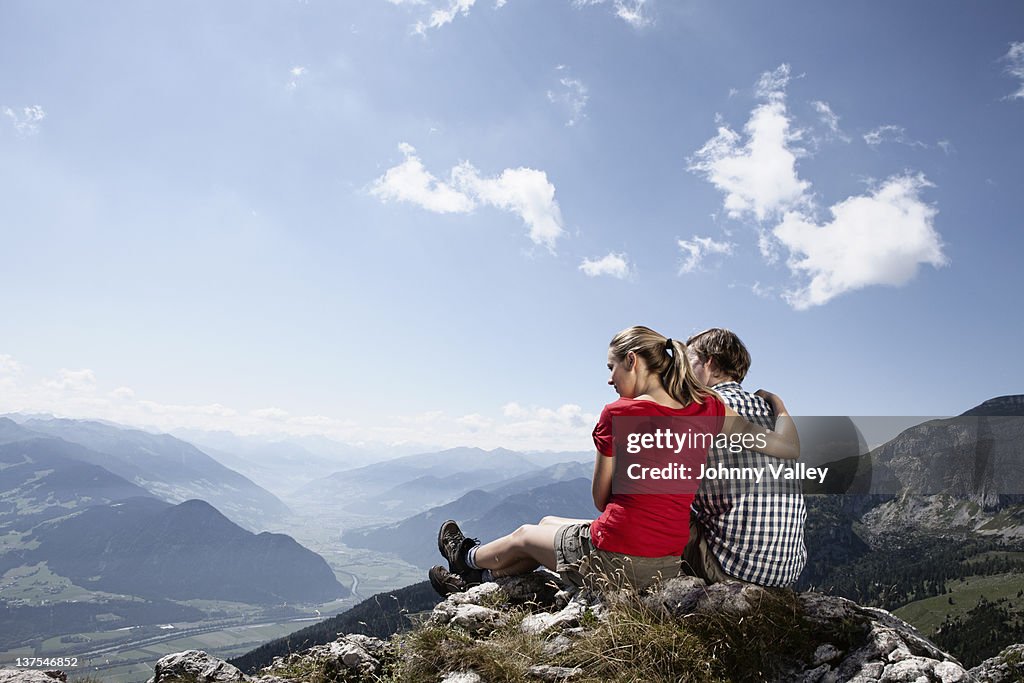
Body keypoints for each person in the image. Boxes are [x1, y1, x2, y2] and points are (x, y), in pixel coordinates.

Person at [428, 325, 799, 596]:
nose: (609, 378)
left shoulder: (624, 414)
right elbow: (787, 448)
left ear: (632, 361)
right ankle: (475, 582)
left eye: (612, 367)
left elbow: (602, 500)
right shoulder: (714, 409)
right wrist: (779, 406)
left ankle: (466, 556)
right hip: (699, 560)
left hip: (644, 560)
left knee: (527, 534)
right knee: (544, 524)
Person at [683, 328, 807, 587]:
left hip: (732, 568)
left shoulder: (703, 410)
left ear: (710, 362)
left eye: (689, 361)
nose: (684, 371)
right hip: (786, 571)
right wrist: (779, 404)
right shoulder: (770, 412)